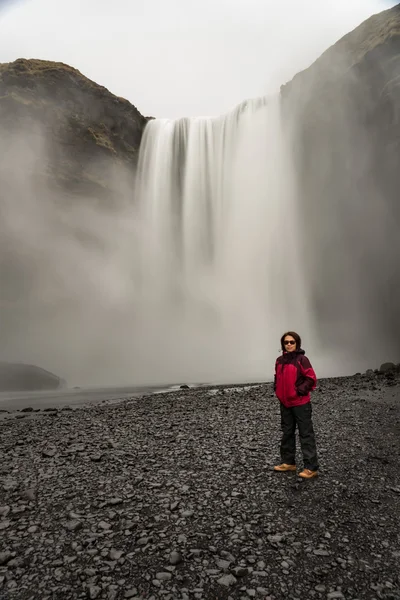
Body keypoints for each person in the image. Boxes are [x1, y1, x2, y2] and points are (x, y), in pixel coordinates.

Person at [273, 331, 319, 479]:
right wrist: (277, 389)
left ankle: (311, 468)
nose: (289, 344)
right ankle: (288, 462)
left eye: (292, 342)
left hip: (300, 403)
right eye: (286, 342)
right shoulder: (279, 360)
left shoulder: (302, 359)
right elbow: (277, 376)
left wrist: (299, 391)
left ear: (297, 343)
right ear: (283, 344)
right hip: (285, 403)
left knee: (305, 434)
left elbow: (311, 378)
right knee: (287, 433)